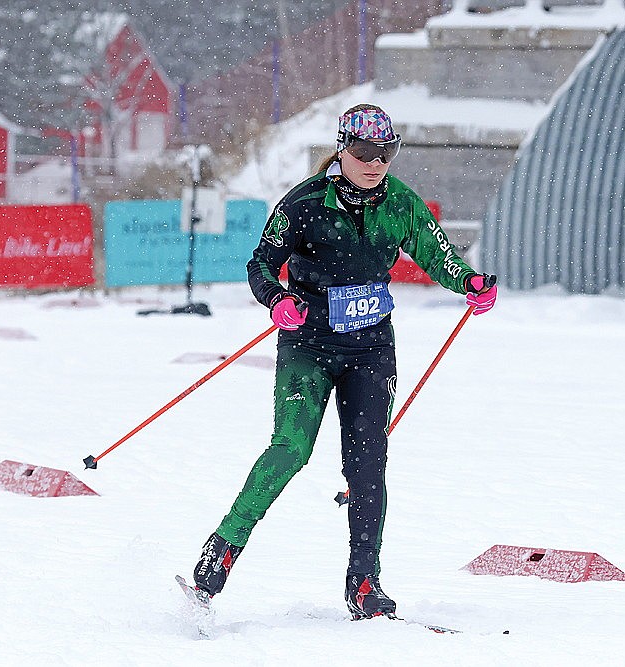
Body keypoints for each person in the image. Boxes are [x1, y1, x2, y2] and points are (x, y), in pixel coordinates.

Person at [191, 104, 497, 619]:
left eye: (386, 152)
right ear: (342, 148)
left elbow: (435, 253)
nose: (375, 162)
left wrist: (468, 281)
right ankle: (222, 548)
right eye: (363, 152)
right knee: (291, 448)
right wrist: (276, 300)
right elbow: (262, 263)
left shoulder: (399, 203)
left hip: (371, 349)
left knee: (367, 463)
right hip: (308, 346)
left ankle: (364, 582)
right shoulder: (306, 203)